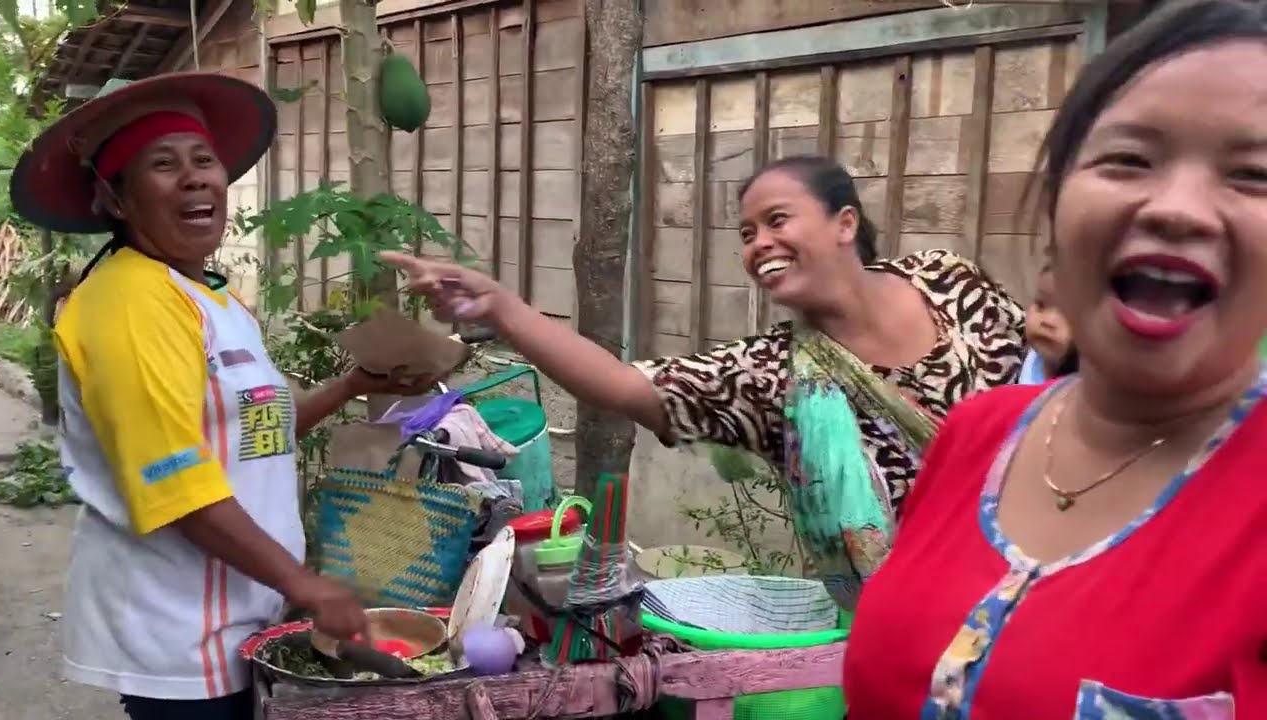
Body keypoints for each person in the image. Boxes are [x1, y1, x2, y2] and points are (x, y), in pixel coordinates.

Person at [842, 1, 1267, 716]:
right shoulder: (975, 434)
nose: (1178, 209)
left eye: (1254, 175)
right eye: (1129, 159)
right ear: (1055, 208)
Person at [380, 154, 1027, 611]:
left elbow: (1053, 382)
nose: (758, 243)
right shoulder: (768, 378)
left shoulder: (949, 281)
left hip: (1055, 578)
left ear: (845, 223)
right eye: (746, 234)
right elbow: (623, 385)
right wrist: (502, 308)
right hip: (919, 634)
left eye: (778, 219)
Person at [9, 73, 436, 720]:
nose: (195, 178)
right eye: (162, 164)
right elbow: (172, 479)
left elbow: (253, 433)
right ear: (114, 200)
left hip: (243, 613)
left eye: (204, 160)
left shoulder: (210, 300)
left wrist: (352, 386)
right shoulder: (125, 302)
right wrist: (306, 584)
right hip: (182, 633)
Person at [1018, 260, 1075, 384]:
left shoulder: (1088, 387)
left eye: (1067, 313)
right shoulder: (1022, 358)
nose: (1047, 321)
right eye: (1041, 305)